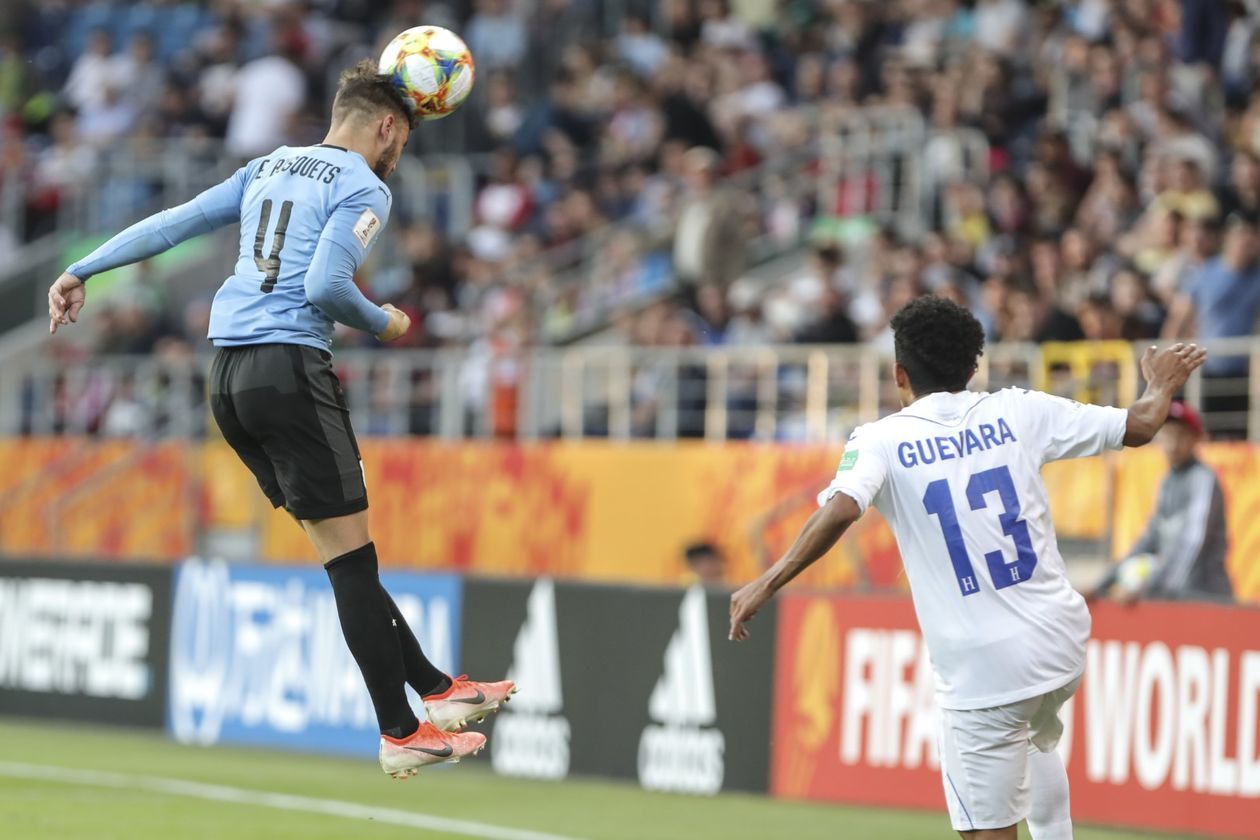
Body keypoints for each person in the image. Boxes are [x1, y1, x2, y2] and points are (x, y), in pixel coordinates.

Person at [46, 61, 515, 780]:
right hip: (290, 369)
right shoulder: (365, 185)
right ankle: (400, 729)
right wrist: (384, 320)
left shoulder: (267, 166)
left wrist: (85, 267)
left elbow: (176, 224)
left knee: (345, 558)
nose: (399, 154)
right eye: (403, 139)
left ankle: (437, 692)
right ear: (387, 125)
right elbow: (325, 284)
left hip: (228, 380)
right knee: (354, 563)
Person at [729, 296, 1206, 840]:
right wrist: (1160, 383)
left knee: (985, 828)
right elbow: (1143, 424)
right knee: (1033, 734)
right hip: (1060, 642)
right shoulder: (1019, 409)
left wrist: (767, 580)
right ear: (973, 366)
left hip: (983, 672)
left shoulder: (880, 439)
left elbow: (841, 507)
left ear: (898, 374)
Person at [1091, 400, 1232, 603]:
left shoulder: (1203, 478)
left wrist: (1154, 589)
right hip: (1175, 599)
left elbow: (1192, 543)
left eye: (1181, 435)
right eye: (1167, 434)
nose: (1173, 443)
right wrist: (1103, 585)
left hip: (1206, 599)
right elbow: (1150, 538)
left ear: (1196, 439)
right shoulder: (1167, 481)